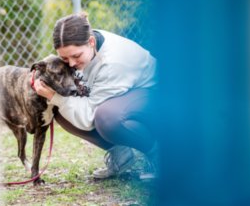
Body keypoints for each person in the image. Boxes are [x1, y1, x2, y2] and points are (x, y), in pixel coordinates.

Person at [33, 12, 159, 180]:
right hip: (124, 92)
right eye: (64, 58)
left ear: (91, 42)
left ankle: (160, 155)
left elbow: (87, 118)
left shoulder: (112, 62)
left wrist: (54, 96)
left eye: (76, 56)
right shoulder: (85, 43)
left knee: (107, 117)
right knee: (60, 107)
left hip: (156, 96)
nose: (70, 64)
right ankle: (121, 155)